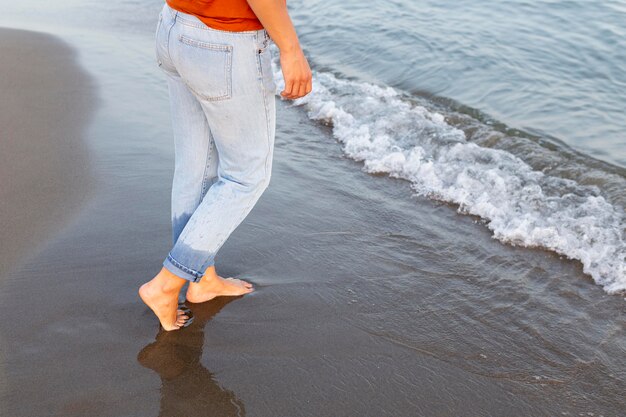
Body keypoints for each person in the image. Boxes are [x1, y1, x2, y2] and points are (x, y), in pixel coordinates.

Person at [139, 0, 312, 331]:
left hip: (175, 25)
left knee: (195, 166)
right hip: (224, 41)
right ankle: (167, 283)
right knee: (246, 176)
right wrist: (290, 49)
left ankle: (201, 279)